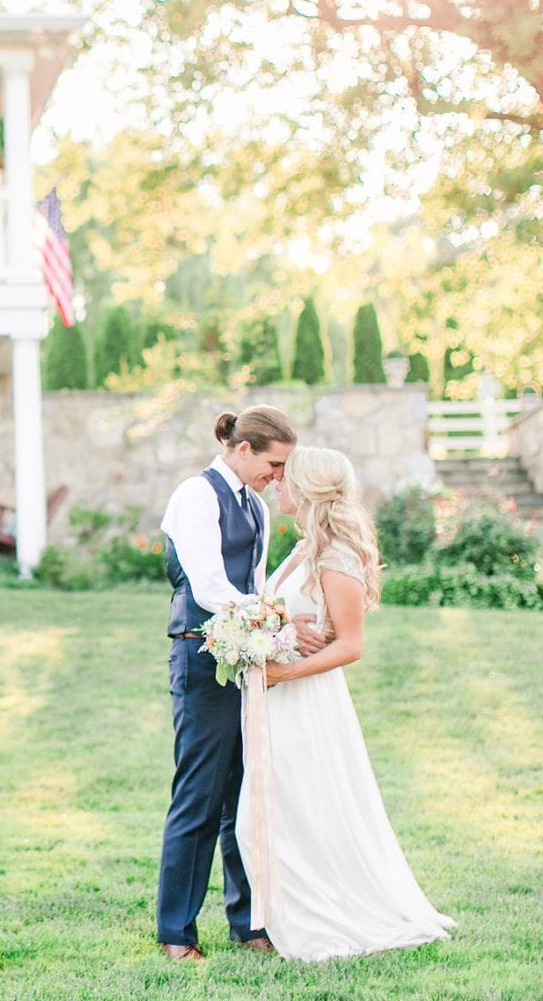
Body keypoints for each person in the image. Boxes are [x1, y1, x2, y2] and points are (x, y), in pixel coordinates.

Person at [236, 446, 455, 961]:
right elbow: (286, 613)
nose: (278, 485)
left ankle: (324, 916)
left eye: (286, 478)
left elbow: (350, 644)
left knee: (298, 811)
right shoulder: (305, 549)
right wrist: (275, 630)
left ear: (307, 488)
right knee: (274, 813)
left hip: (307, 699)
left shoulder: (336, 554)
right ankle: (287, 915)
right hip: (281, 696)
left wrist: (284, 670)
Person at [155, 404, 299, 960]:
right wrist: (276, 618)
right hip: (200, 656)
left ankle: (249, 922)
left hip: (245, 657)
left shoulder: (256, 506)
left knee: (244, 796)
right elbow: (212, 589)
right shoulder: (195, 495)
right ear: (242, 450)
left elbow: (255, 582)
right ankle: (176, 932)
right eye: (273, 463)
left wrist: (272, 621)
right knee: (199, 794)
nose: (278, 476)